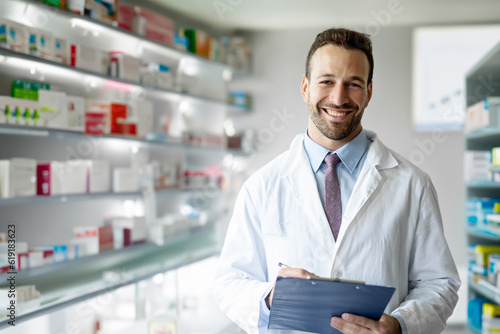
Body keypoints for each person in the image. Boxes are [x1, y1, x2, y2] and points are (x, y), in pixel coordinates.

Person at [213, 27, 460, 334]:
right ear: (305, 87)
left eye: (353, 84)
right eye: (326, 81)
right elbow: (230, 282)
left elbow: (438, 283)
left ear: (369, 92)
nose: (339, 97)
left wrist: (400, 325)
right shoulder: (262, 186)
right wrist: (269, 298)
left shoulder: (412, 184)